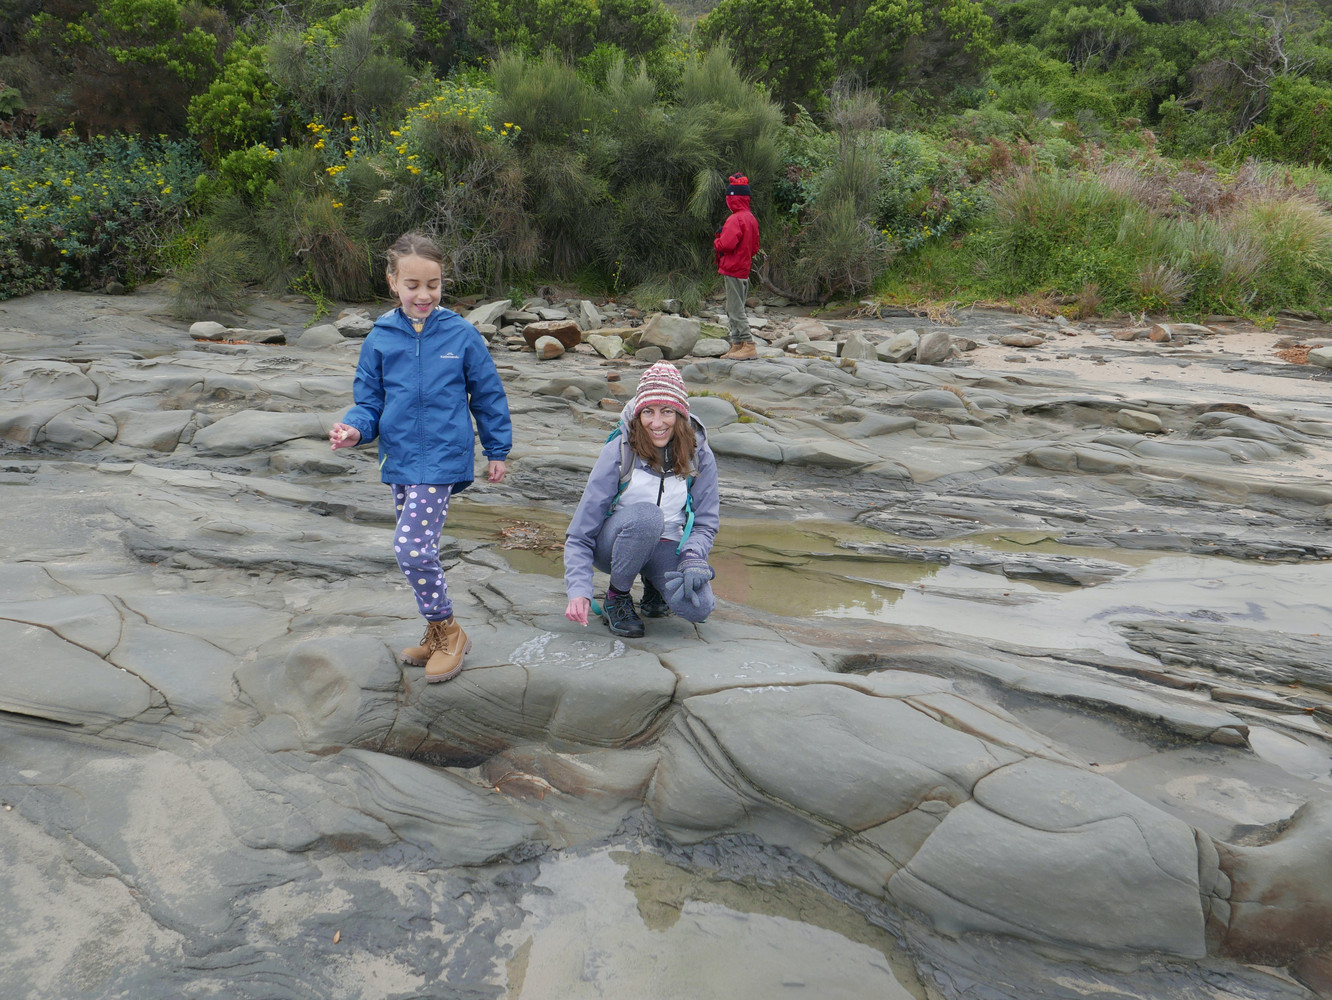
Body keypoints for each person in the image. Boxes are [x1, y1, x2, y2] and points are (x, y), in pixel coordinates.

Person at [329, 232, 512, 682]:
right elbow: (369, 402)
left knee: (411, 548)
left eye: (433, 284)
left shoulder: (461, 334)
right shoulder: (380, 338)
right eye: (412, 285)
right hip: (399, 459)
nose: (424, 295)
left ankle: (449, 631)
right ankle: (435, 632)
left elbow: (488, 394)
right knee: (416, 551)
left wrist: (496, 449)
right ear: (393, 282)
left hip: (444, 457)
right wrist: (355, 430)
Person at [563, 362, 720, 637]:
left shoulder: (699, 453)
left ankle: (653, 584)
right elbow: (579, 534)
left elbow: (705, 523)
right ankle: (617, 597)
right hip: (615, 544)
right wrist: (579, 589)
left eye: (666, 411)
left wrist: (693, 556)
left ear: (680, 414)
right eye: (648, 412)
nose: (656, 423)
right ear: (638, 413)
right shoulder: (619, 450)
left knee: (699, 607)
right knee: (647, 516)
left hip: (666, 543)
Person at [714, 172, 761, 361]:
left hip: (732, 268)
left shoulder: (735, 219)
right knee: (735, 306)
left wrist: (717, 239)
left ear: (732, 199)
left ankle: (748, 344)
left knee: (734, 309)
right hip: (743, 268)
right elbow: (755, 247)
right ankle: (737, 344)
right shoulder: (751, 218)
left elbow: (726, 244)